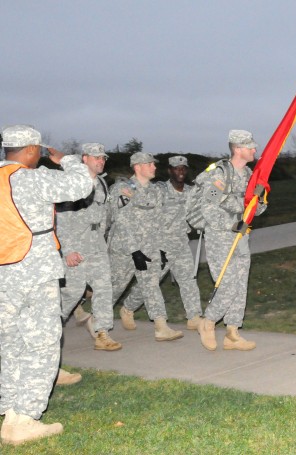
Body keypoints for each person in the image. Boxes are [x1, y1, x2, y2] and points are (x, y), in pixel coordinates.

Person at [0, 124, 93, 445]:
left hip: (3, 272)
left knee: (10, 341)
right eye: (37, 150)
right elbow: (81, 186)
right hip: (33, 269)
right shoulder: (29, 178)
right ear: (30, 150)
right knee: (42, 342)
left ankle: (8, 405)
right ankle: (23, 419)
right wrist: (67, 160)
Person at [197, 130, 266, 352]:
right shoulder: (219, 174)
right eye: (250, 147)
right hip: (221, 237)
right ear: (237, 149)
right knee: (227, 285)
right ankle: (207, 322)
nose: (255, 150)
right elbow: (208, 206)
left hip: (242, 236)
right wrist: (231, 224)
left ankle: (232, 333)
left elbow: (257, 210)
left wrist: (260, 197)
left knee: (240, 284)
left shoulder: (248, 174)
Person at [119, 155, 203, 331]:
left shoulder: (191, 191)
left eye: (183, 168)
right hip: (160, 244)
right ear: (169, 170)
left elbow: (195, 215)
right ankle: (128, 308)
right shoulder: (159, 190)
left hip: (180, 242)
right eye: (176, 168)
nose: (180, 171)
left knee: (188, 279)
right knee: (150, 284)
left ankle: (194, 316)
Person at [108, 152, 183, 342]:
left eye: (153, 164)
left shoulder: (155, 191)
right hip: (124, 249)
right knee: (115, 287)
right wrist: (134, 251)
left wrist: (161, 248)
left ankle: (161, 326)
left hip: (148, 246)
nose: (154, 167)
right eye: (149, 164)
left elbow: (159, 222)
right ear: (137, 167)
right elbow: (122, 221)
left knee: (151, 284)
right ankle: (97, 318)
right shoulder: (123, 189)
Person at [57, 143, 122, 353]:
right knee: (72, 292)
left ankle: (102, 333)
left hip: (96, 245)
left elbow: (103, 215)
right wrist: (67, 250)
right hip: (76, 245)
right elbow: (62, 219)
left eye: (103, 158)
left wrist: (103, 240)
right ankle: (49, 329)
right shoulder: (72, 183)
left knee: (104, 288)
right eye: (96, 158)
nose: (101, 161)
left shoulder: (102, 183)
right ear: (84, 159)